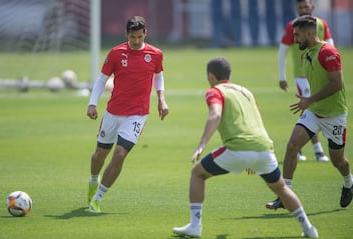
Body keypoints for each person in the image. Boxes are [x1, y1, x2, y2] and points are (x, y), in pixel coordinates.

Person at [172, 57, 318, 238]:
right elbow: (257, 117)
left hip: (237, 148)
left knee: (197, 173)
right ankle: (309, 229)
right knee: (281, 188)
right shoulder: (246, 91)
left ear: (210, 76)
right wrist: (254, 156)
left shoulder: (215, 91)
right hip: (264, 148)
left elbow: (215, 115)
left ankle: (195, 226)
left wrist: (202, 144)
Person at [266, 15, 353, 211]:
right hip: (314, 112)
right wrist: (307, 100)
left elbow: (337, 84)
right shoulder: (306, 53)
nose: (295, 39)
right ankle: (284, 196)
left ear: (310, 33)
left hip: (334, 115)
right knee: (292, 146)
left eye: (297, 35)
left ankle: (349, 183)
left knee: (338, 161)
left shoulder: (328, 52)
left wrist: (309, 100)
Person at [86, 16, 169, 213]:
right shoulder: (116, 53)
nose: (137, 41)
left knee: (120, 154)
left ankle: (97, 199)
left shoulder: (155, 54)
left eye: (140, 37)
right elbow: (101, 80)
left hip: (137, 115)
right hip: (113, 112)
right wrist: (92, 104)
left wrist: (161, 98)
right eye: (133, 37)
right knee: (99, 156)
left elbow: (158, 75)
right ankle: (93, 181)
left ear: (145, 34)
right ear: (126, 34)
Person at [277, 0, 332, 163]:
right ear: (296, 8)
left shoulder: (321, 24)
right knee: (310, 109)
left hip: (320, 74)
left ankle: (298, 146)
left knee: (313, 109)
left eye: (306, 6)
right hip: (302, 76)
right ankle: (318, 151)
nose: (303, 10)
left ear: (312, 7)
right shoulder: (293, 27)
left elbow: (330, 45)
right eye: (300, 7)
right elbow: (283, 50)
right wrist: (282, 76)